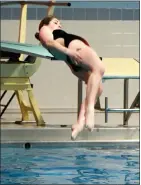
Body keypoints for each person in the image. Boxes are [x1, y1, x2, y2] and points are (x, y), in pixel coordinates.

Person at [35, 15, 105, 140]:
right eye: (56, 22)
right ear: (45, 23)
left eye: (60, 23)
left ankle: (79, 123)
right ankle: (90, 110)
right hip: (74, 49)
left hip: (72, 59)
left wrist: (69, 56)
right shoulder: (45, 29)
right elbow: (49, 42)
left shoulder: (56, 38)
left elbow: (56, 49)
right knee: (99, 68)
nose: (59, 25)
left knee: (98, 88)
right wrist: (70, 52)